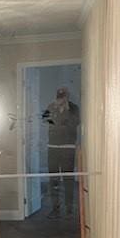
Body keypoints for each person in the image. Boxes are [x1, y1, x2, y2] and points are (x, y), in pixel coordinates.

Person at [42, 87, 80, 217]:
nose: (61, 100)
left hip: (68, 148)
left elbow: (74, 124)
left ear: (67, 97)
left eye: (63, 97)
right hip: (52, 147)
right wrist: (56, 113)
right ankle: (55, 209)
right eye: (59, 97)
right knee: (53, 179)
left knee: (68, 179)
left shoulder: (74, 108)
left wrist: (62, 119)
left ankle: (69, 209)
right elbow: (45, 121)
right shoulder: (51, 106)